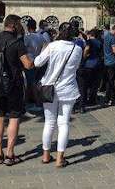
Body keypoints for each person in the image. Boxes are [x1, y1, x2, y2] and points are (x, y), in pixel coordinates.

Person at [0, 15, 34, 166]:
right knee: (14, 118)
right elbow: (27, 64)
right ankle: (10, 154)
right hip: (13, 86)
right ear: (15, 25)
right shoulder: (17, 43)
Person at [35, 22, 82, 168]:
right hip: (68, 89)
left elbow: (37, 63)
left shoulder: (52, 46)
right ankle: (60, 158)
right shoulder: (77, 49)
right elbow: (76, 67)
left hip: (50, 88)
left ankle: (45, 155)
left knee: (49, 122)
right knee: (63, 123)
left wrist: (44, 50)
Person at [102, 25, 115, 106]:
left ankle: (107, 98)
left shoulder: (106, 36)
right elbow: (114, 51)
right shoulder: (113, 37)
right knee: (111, 81)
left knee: (107, 81)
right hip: (112, 62)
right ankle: (110, 99)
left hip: (106, 61)